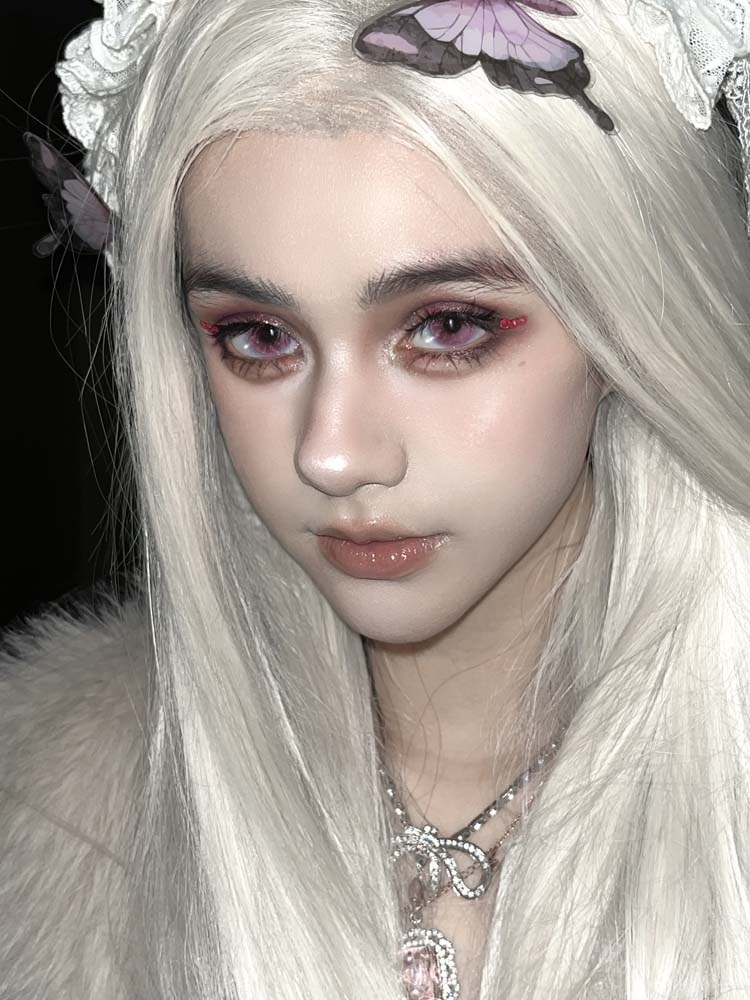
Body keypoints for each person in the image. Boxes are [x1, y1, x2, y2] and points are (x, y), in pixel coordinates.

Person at [4, 1, 750, 997]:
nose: (332, 454)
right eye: (259, 337)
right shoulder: (46, 807)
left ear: (630, 318)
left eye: (447, 326)